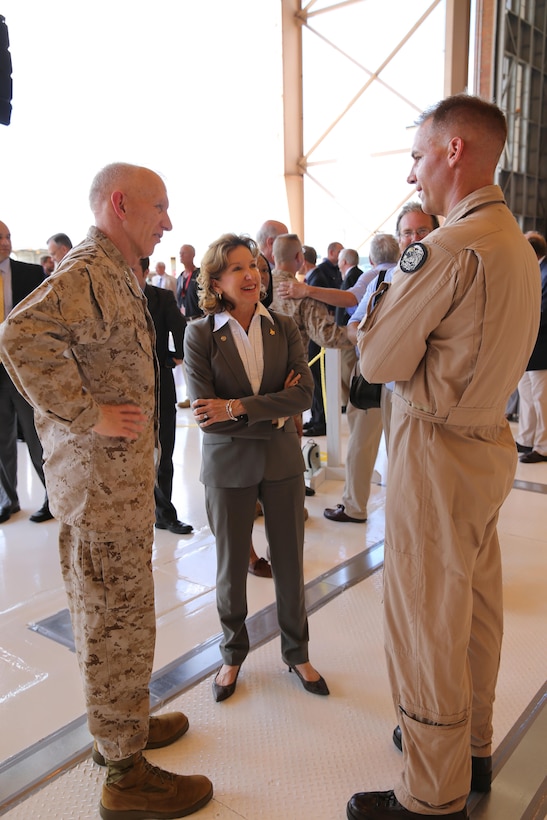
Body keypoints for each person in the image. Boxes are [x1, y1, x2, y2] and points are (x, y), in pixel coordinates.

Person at [346, 95, 540, 820]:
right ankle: (474, 748)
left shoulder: (448, 248)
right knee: (474, 608)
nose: (413, 170)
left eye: (419, 154)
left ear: (454, 152)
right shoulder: (513, 242)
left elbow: (377, 358)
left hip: (433, 446)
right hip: (485, 442)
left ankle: (431, 791)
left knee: (427, 616)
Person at [0, 163, 213, 820]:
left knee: (123, 617)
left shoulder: (118, 272)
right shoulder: (86, 271)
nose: (168, 221)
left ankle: (123, 721)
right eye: (159, 207)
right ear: (119, 204)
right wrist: (86, 412)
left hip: (116, 487)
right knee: (113, 622)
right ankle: (124, 773)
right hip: (98, 488)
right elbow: (18, 336)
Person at [183, 233, 329, 703]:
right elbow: (208, 418)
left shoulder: (284, 327)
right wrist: (273, 410)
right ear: (216, 282)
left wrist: (236, 408)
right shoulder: (199, 334)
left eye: (255, 266)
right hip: (227, 466)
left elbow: (304, 395)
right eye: (237, 269)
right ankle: (232, 655)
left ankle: (297, 652)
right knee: (230, 567)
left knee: (289, 562)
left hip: (282, 462)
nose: (251, 275)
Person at [323, 233, 400, 525]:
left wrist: (307, 290)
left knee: (362, 441)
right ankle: (402, 509)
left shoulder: (371, 275)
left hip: (371, 370)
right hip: (399, 375)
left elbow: (352, 302)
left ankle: (354, 505)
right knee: (399, 444)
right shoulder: (407, 273)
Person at [270, 233, 353, 434]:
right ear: (299, 257)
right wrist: (356, 333)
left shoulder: (259, 288)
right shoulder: (300, 293)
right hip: (291, 376)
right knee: (289, 434)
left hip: (260, 373)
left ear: (273, 256)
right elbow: (327, 336)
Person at [134, 257, 193, 535]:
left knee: (164, 449)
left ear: (145, 272)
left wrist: (175, 357)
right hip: (124, 389)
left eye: (134, 269)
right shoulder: (112, 297)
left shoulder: (161, 297)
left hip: (160, 384)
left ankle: (164, 513)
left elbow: (181, 330)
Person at [0, 219, 52, 524]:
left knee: (37, 436)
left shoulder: (32, 274)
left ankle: (52, 497)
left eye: (7, 236)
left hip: (25, 371)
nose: (5, 242)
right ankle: (8, 500)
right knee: (2, 437)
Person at [515, 230, 547, 463]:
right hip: (530, 344)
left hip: (543, 345)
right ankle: (526, 438)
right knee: (526, 393)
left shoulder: (546, 272)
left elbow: (542, 311)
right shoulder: (536, 270)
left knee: (541, 397)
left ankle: (543, 446)